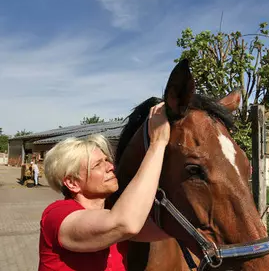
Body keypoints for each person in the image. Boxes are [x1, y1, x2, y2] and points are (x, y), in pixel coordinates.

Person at [39, 102, 171, 271]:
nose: (110, 166)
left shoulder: (112, 213)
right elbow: (125, 223)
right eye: (97, 165)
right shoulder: (57, 215)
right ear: (72, 183)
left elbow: (170, 229)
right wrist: (158, 144)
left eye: (107, 160)